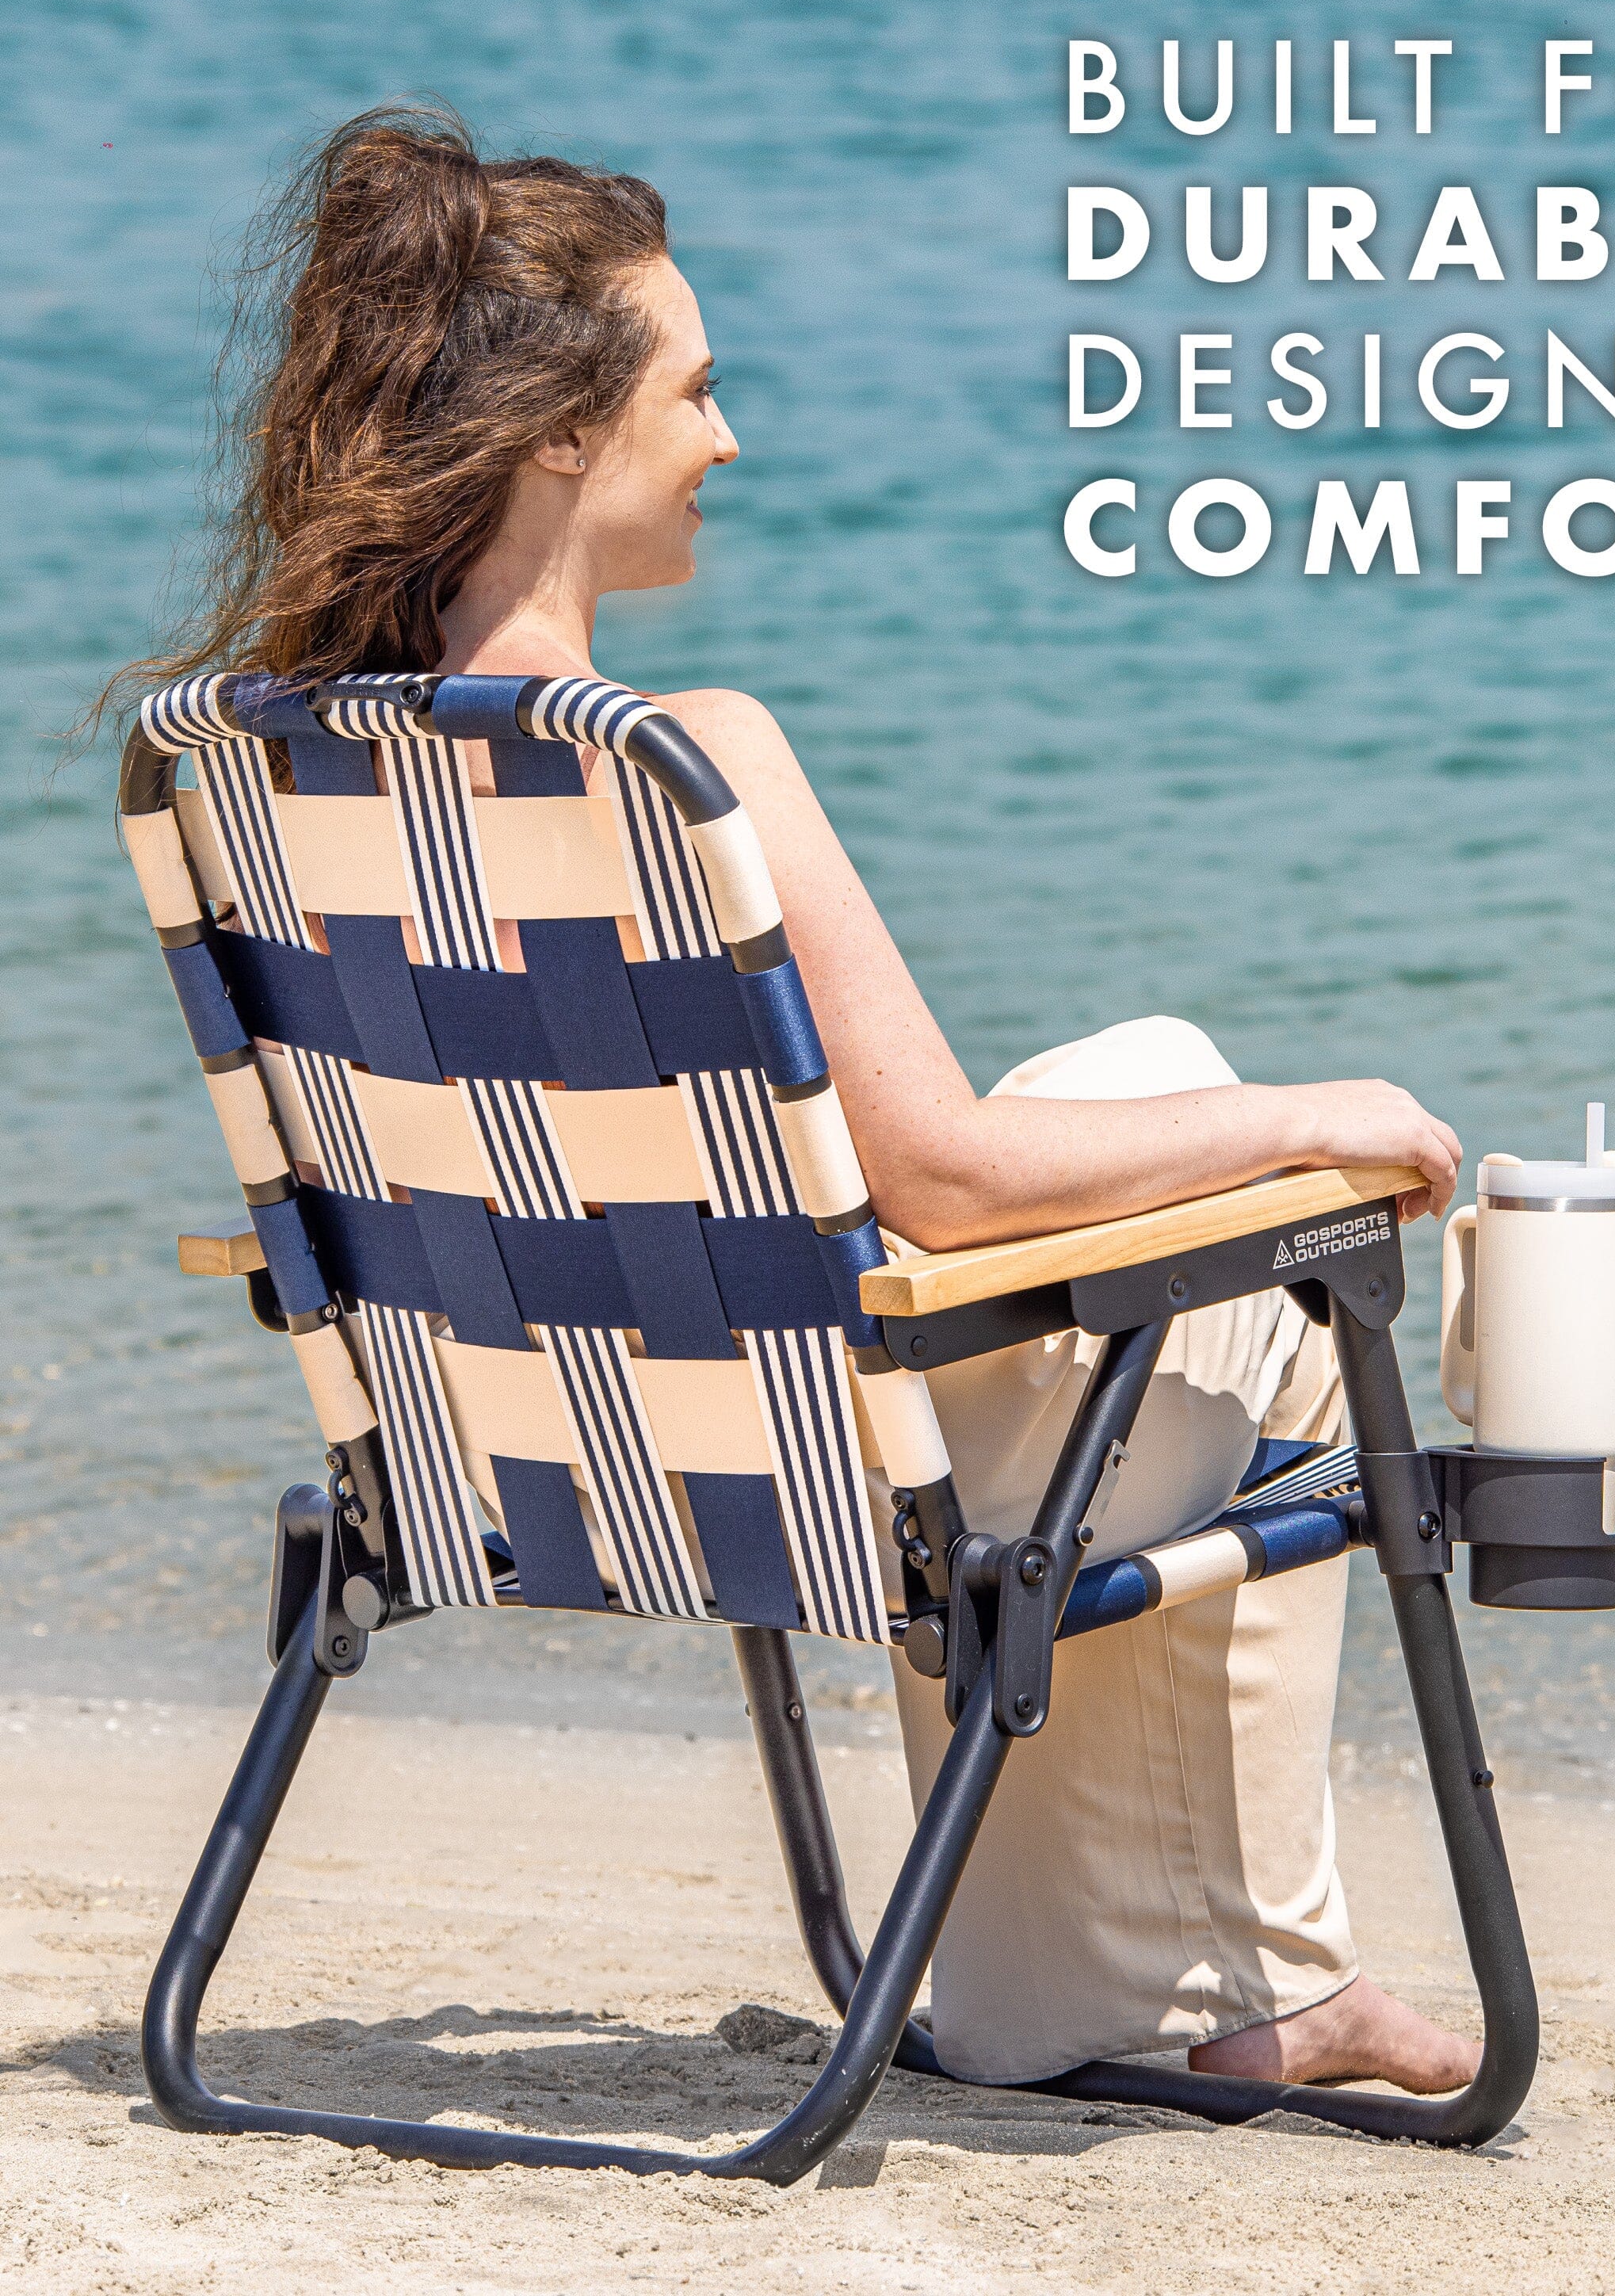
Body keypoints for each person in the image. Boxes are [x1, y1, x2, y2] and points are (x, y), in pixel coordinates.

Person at [102, 105, 1476, 2093]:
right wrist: (1321, 1123)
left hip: (524, 1460)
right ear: (564, 434)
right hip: (830, 1494)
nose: (728, 440)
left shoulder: (265, 771)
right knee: (1274, 1278)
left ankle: (1070, 1988)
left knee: (1142, 1077)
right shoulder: (674, 758)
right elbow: (947, 1179)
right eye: (698, 390)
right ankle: (1243, 1987)